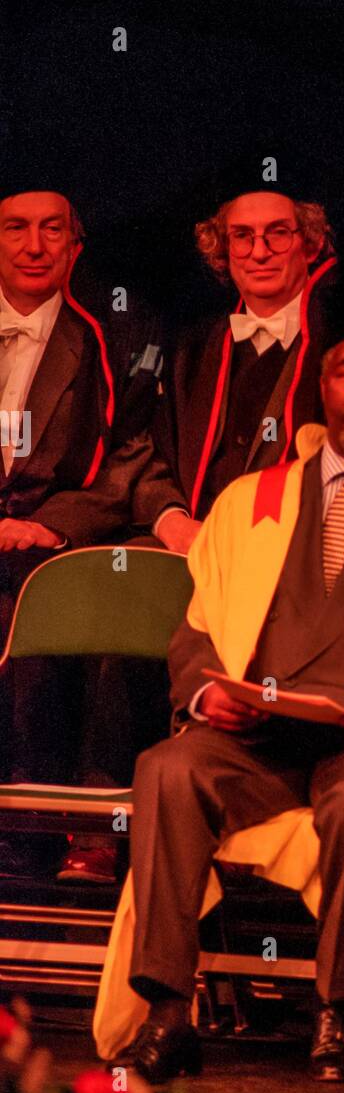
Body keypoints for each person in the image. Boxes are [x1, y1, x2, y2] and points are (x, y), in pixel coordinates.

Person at [100, 274, 344, 1084]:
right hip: (254, 737)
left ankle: (339, 1012)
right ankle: (169, 1010)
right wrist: (206, 692)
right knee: (166, 769)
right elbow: (196, 625)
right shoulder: (249, 501)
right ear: (322, 384)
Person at [51, 171, 338, 881]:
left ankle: (242, 825)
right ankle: (100, 824)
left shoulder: (341, 349)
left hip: (293, 553)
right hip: (190, 539)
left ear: (308, 245)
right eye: (242, 236)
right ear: (221, 250)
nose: (260, 249)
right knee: (124, 587)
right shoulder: (190, 344)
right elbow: (144, 449)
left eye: (278, 234)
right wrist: (173, 516)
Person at [0, 181, 160, 828]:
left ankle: (64, 824)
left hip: (54, 543)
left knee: (90, 600)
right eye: (15, 228)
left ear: (75, 247)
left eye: (51, 229)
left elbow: (131, 459)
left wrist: (44, 527)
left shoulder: (114, 339)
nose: (33, 245)